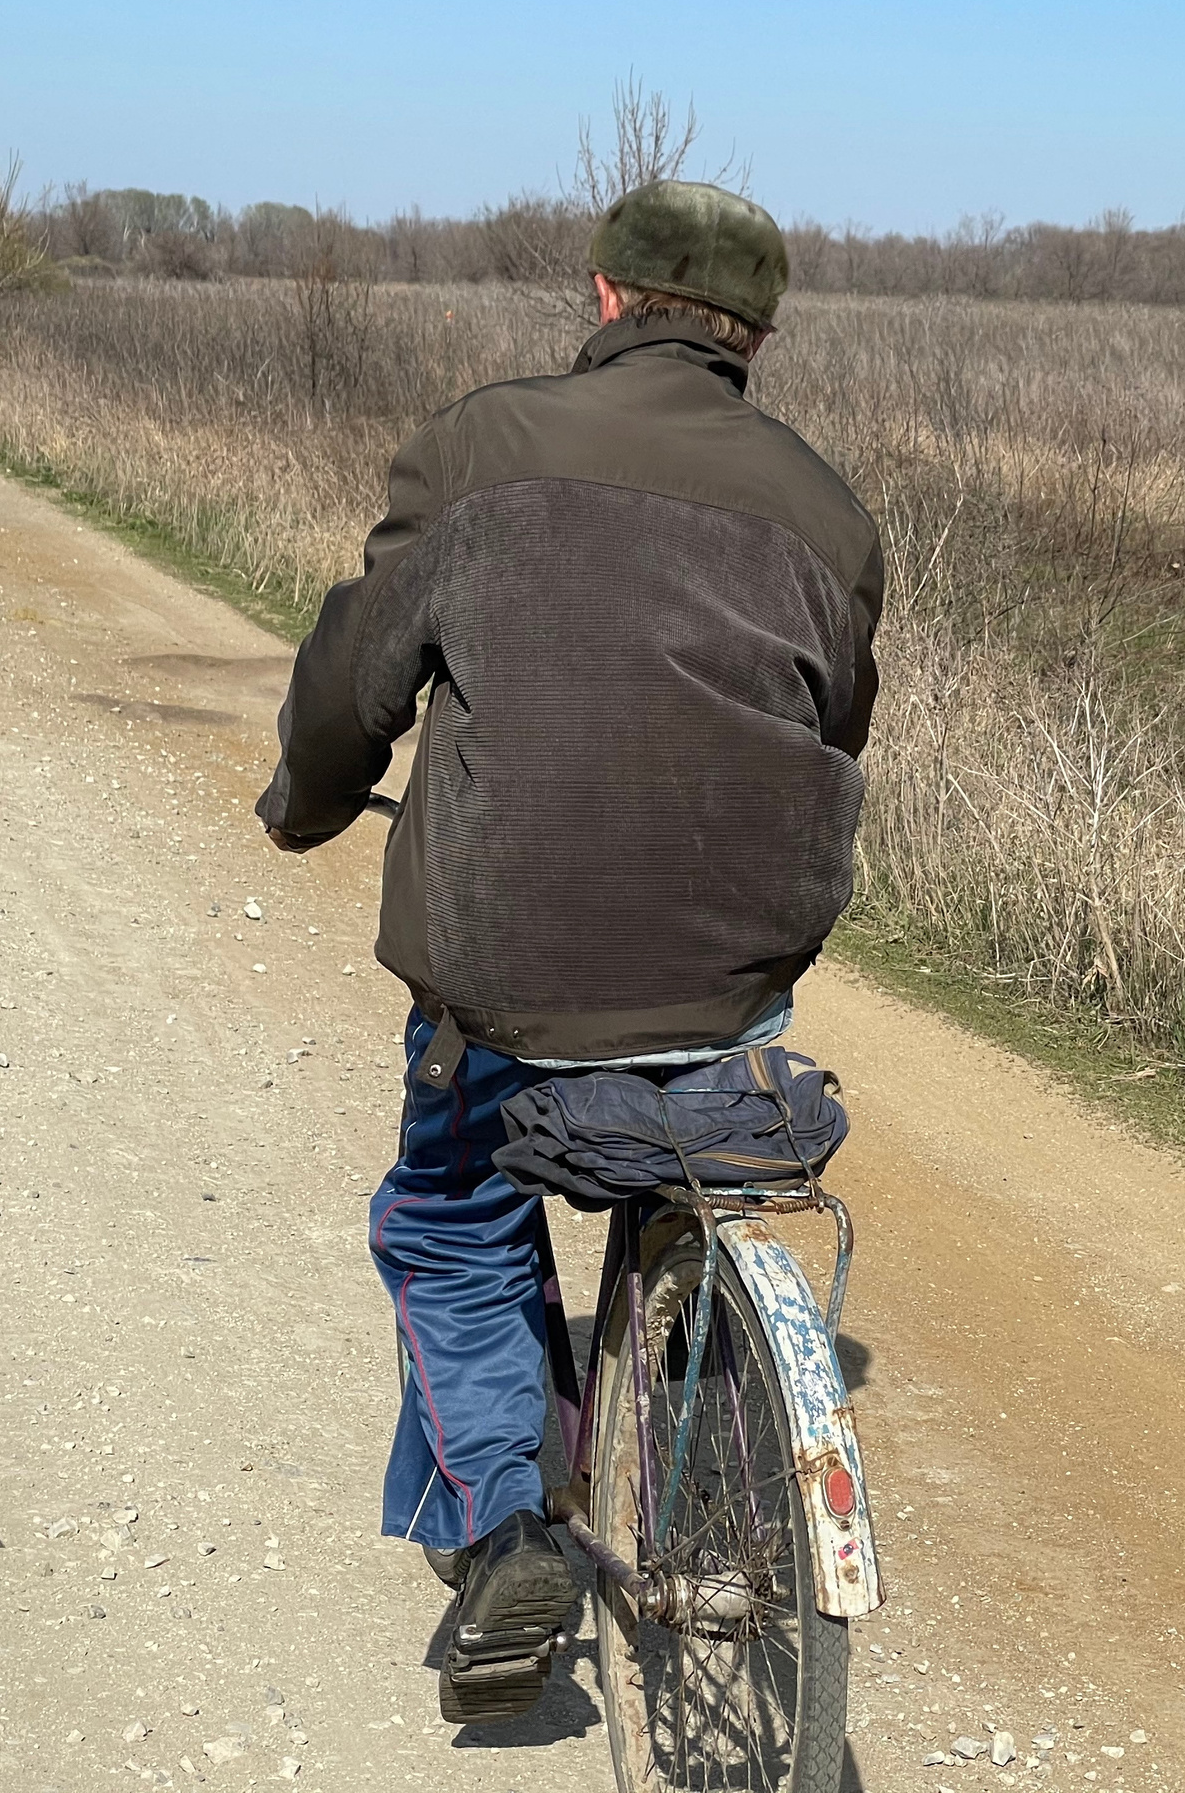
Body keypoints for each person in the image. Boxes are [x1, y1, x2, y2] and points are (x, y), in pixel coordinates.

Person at [253, 181, 883, 1720]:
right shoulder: (826, 510)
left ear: (605, 296)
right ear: (757, 333)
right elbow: (834, 719)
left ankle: (507, 1531)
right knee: (675, 1147)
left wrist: (308, 802)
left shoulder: (484, 449)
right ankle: (691, 1389)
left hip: (511, 973)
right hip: (737, 966)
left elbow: (355, 681)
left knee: (458, 1223)